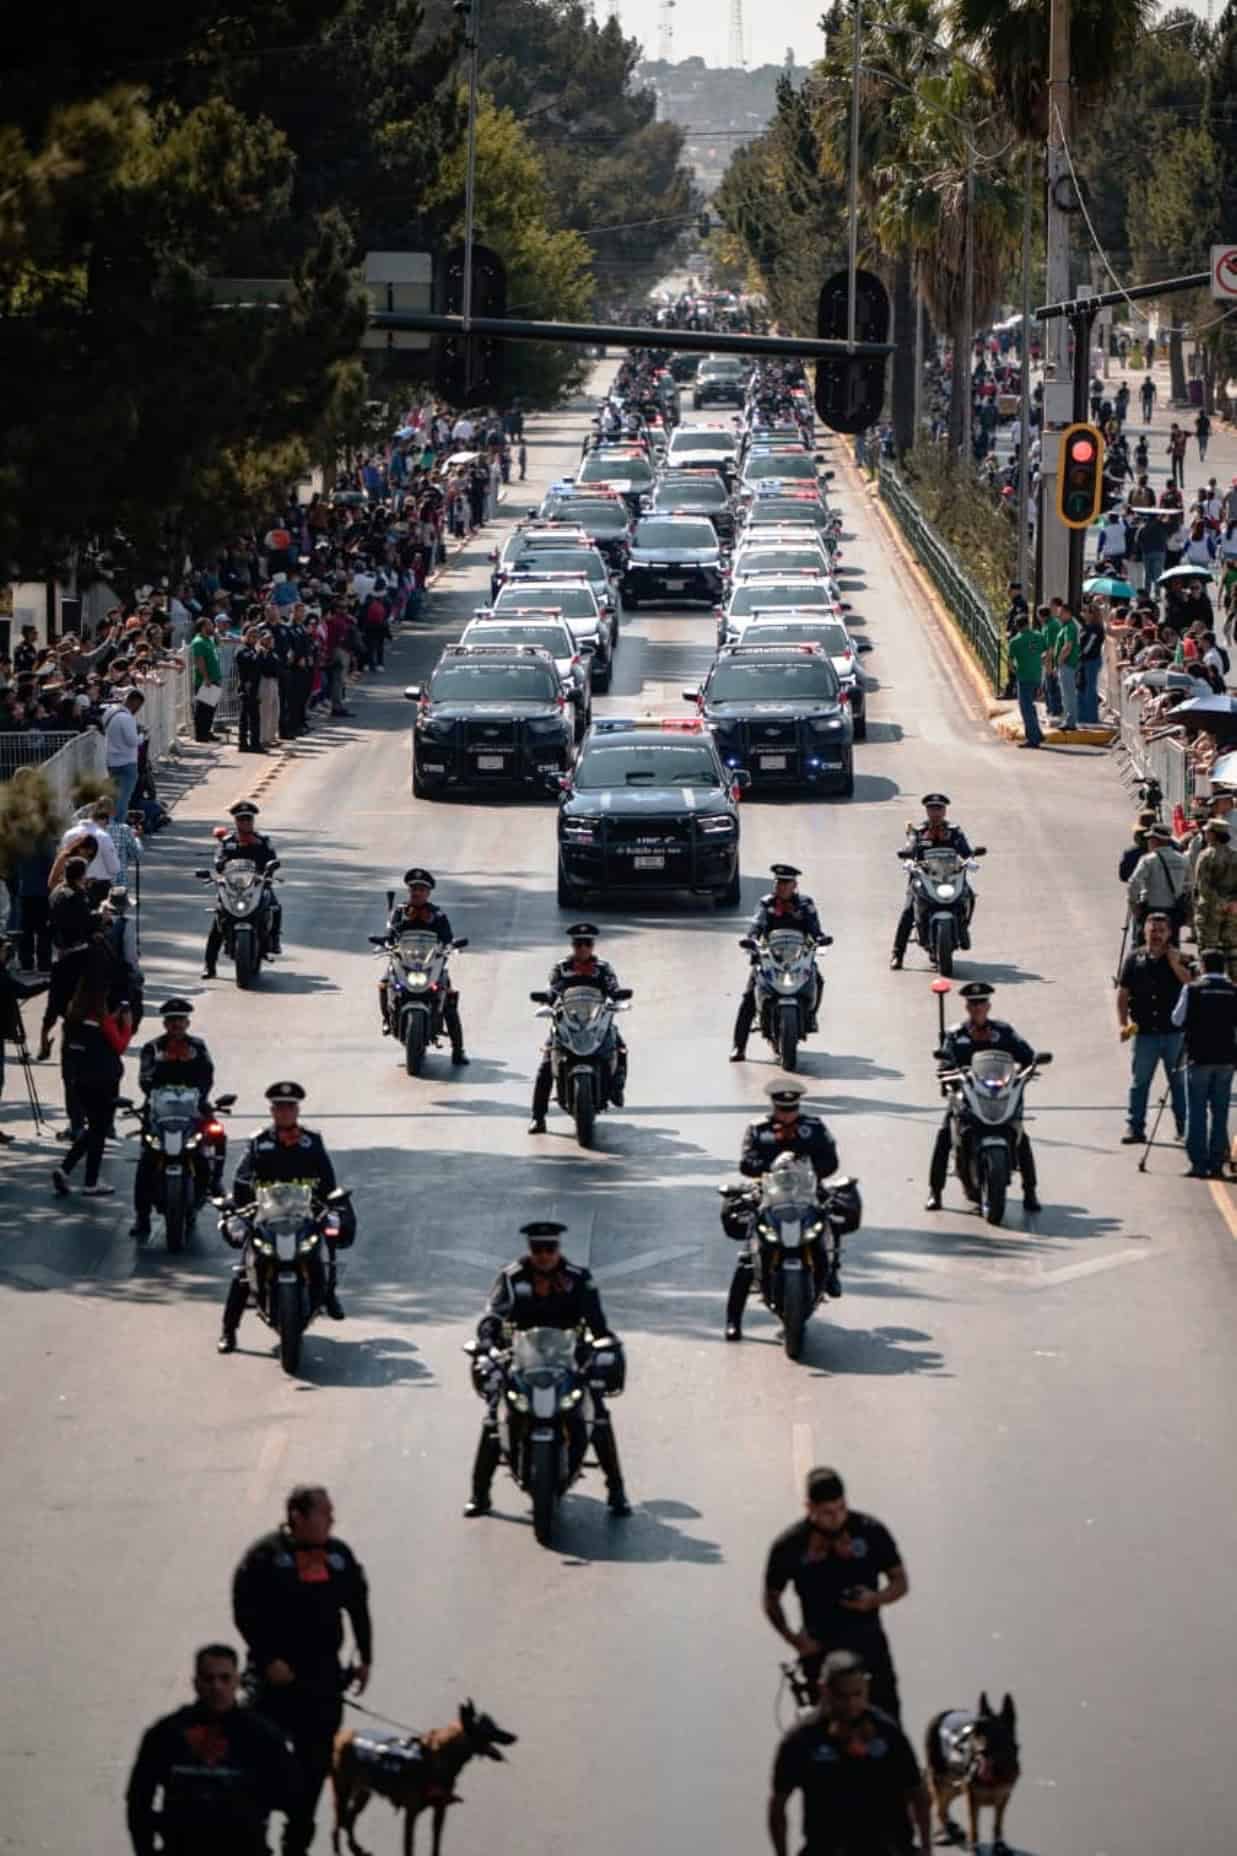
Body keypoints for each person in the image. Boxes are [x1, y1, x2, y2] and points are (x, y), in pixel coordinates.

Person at [232, 1486, 371, 1856]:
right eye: (324, 1513)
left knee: (310, 1781)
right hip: (274, 1684)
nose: (332, 1520)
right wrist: (268, 1659)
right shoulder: (266, 1556)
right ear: (298, 1516)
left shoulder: (338, 1557)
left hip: (321, 1686)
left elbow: (358, 1605)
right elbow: (244, 1609)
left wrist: (365, 1658)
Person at [465, 1220, 631, 1516]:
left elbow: (597, 1324)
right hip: (522, 1358)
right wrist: (487, 1344)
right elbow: (492, 1317)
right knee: (494, 1416)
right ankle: (480, 1493)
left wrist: (603, 1348)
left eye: (549, 1248)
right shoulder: (512, 1278)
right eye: (537, 1248)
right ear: (530, 1249)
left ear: (558, 1248)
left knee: (598, 1415)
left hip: (568, 1359)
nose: (544, 1255)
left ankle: (616, 1489)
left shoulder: (578, 1279)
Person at [764, 1467, 911, 1724]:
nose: (836, 1518)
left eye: (841, 1508)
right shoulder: (790, 1544)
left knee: (886, 1722)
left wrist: (875, 1599)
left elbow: (900, 1581)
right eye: (827, 1513)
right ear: (810, 1508)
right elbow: (771, 1598)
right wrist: (795, 1640)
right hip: (821, 1648)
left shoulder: (870, 1531)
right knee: (825, 1729)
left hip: (868, 1643)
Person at [125, 1643, 300, 1856]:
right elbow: (138, 1800)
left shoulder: (263, 1737)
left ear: (237, 1681)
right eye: (208, 1679)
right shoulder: (167, 1733)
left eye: (225, 1678)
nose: (216, 1686)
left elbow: (295, 1800)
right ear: (195, 1683)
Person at [218, 1081, 352, 1347]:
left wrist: (328, 1203)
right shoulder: (259, 1142)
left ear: (297, 1110)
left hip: (304, 1212)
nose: (285, 1112)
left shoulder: (311, 1141)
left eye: (290, 1107)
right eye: (280, 1107)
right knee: (246, 1268)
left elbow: (327, 1180)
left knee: (325, 1246)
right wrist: (242, 1208)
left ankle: (329, 1293)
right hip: (268, 1214)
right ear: (272, 1111)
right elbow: (242, 1180)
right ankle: (228, 1330)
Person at [768, 1649, 931, 1856]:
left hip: (887, 1847)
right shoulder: (801, 1740)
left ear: (867, 1687)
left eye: (857, 1694)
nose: (851, 1704)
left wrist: (926, 1848)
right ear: (823, 1690)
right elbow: (778, 1802)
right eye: (841, 1696)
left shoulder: (888, 1733)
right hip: (828, 1847)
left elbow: (918, 1792)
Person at [726, 1080, 842, 1336]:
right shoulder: (759, 1129)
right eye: (782, 1109)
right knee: (747, 1257)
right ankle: (733, 1320)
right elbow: (746, 1163)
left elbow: (831, 1161)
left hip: (807, 1192)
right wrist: (769, 1165)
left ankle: (832, 1273)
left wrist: (805, 1162)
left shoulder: (814, 1128)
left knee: (830, 1217)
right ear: (774, 1106)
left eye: (791, 1109)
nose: (786, 1114)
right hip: (770, 1195)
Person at [926, 981, 1040, 1212]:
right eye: (973, 1004)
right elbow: (944, 1062)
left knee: (1020, 1136)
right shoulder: (955, 1035)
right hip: (967, 1096)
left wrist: (1027, 1070)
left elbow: (1027, 1056)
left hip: (1000, 1095)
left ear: (988, 1006)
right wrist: (947, 1073)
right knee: (945, 1134)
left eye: (982, 1003)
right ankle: (935, 1191)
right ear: (967, 1007)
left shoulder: (1004, 1032)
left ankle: (1030, 1192)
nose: (978, 1008)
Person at [131, 998, 218, 1238]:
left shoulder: (198, 1047)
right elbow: (145, 1079)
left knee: (209, 1146)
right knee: (146, 1162)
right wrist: (168, 1067)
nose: (176, 1025)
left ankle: (209, 1190)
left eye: (180, 1020)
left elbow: (207, 1076)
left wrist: (199, 1097)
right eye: (172, 1021)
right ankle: (142, 1217)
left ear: (187, 1023)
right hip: (161, 1114)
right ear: (165, 1023)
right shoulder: (153, 1048)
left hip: (191, 1111)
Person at [528, 924, 628, 1132]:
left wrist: (618, 996)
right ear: (572, 945)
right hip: (568, 1022)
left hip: (596, 1021)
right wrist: (546, 999)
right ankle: (538, 1117)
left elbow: (613, 987)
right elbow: (553, 990)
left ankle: (617, 1089)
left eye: (587, 943)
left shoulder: (603, 968)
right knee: (546, 1065)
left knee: (620, 1047)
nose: (582, 948)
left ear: (593, 946)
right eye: (578, 943)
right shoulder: (561, 968)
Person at [731, 864, 830, 1060]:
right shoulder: (765, 904)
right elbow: (756, 925)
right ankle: (739, 1046)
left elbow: (815, 928)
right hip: (770, 959)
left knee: (818, 981)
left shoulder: (805, 904)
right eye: (778, 882)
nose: (781, 887)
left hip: (797, 958)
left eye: (786, 883)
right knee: (748, 997)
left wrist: (820, 939)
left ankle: (810, 1018)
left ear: (795, 885)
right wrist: (751, 939)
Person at [1116, 911, 1193, 1144]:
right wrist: (1123, 1024)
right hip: (1145, 1033)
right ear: (1144, 932)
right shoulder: (1134, 959)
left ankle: (1184, 1127)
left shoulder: (1181, 958)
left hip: (1174, 1034)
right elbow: (1123, 993)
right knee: (1140, 1083)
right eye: (1152, 931)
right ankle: (1135, 1127)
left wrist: (1173, 963)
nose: (1157, 935)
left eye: (1161, 931)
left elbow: (1192, 985)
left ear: (1169, 933)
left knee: (1178, 1084)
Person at [377, 867, 466, 1062]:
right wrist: (385, 942)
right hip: (404, 961)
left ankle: (458, 1050)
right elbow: (389, 936)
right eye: (413, 889)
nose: (416, 892)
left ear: (428, 893)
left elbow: (447, 938)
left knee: (449, 997)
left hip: (430, 964)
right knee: (384, 983)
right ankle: (386, 1019)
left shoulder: (438, 914)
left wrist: (451, 946)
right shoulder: (399, 912)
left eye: (421, 889)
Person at [52, 986, 133, 1198]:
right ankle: (91, 1181)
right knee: (99, 1131)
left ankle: (65, 1169)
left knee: (94, 1128)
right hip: (103, 1082)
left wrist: (113, 1017)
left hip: (80, 1081)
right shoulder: (103, 1024)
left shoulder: (73, 1022)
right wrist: (126, 1025)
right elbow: (120, 1044)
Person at [1173, 948, 1237, 1177]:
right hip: (1226, 1059)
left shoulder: (1192, 989)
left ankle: (1198, 1163)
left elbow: (1177, 1018)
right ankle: (1217, 1163)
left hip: (1199, 1056)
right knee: (1220, 1112)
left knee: (1197, 1111)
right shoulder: (1233, 991)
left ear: (1202, 966)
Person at [889, 796, 974, 970]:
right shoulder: (919, 831)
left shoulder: (954, 831)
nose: (935, 813)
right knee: (908, 911)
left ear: (944, 811)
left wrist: (970, 859)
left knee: (969, 895)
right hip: (924, 877)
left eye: (939, 809)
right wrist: (908, 858)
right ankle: (898, 954)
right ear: (927, 811)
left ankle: (963, 928)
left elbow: (965, 850)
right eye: (932, 809)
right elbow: (910, 847)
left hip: (950, 877)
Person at [202, 801, 281, 979]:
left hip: (256, 884)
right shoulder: (228, 842)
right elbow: (219, 861)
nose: (245, 823)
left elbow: (272, 860)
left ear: (252, 821)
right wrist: (219, 865)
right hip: (232, 886)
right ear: (236, 822)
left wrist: (268, 868)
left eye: (248, 819)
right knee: (218, 920)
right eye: (241, 819)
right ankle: (209, 965)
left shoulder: (262, 841)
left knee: (275, 906)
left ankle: (274, 940)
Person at [37, 854, 99, 1060]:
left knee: (54, 1002)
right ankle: (75, 1039)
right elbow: (84, 922)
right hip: (76, 953)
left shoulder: (57, 892)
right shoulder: (75, 896)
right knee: (78, 1000)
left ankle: (44, 1038)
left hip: (58, 952)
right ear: (81, 875)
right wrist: (101, 917)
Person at [1126, 820, 1190, 943]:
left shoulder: (1148, 859)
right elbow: (1189, 886)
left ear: (1155, 840)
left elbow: (1133, 883)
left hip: (1151, 909)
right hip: (1174, 911)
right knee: (1171, 946)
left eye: (1150, 839)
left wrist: (1134, 906)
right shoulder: (1183, 859)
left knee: (1146, 946)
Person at [1191, 816, 1237, 976]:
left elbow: (1202, 886)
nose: (1205, 835)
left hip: (1210, 911)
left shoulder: (1206, 855)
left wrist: (1219, 903)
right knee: (1232, 951)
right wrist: (1232, 903)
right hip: (1232, 910)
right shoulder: (1234, 855)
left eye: (1207, 832)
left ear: (1213, 834)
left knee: (1208, 951)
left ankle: (1208, 984)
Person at [103, 688, 145, 822]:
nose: (138, 709)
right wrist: (142, 736)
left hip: (111, 761)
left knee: (113, 797)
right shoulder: (127, 718)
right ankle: (117, 826)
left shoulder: (109, 712)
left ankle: (108, 823)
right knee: (123, 799)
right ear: (134, 702)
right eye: (138, 705)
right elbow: (132, 741)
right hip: (127, 763)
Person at [1007, 612, 1045, 749]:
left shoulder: (1015, 641)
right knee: (1032, 707)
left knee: (1026, 709)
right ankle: (1038, 733)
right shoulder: (1039, 636)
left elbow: (1010, 662)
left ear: (1017, 626)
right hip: (1037, 675)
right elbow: (1047, 652)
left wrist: (1015, 672)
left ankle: (1033, 739)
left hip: (1024, 677)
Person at [189, 616, 222, 742]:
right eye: (210, 625)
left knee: (210, 708)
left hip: (214, 678)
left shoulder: (208, 639)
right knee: (203, 709)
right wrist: (206, 677)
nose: (213, 627)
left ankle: (207, 731)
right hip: (206, 680)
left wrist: (215, 635)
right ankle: (201, 734)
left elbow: (219, 643)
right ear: (203, 627)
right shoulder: (198, 642)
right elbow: (200, 661)